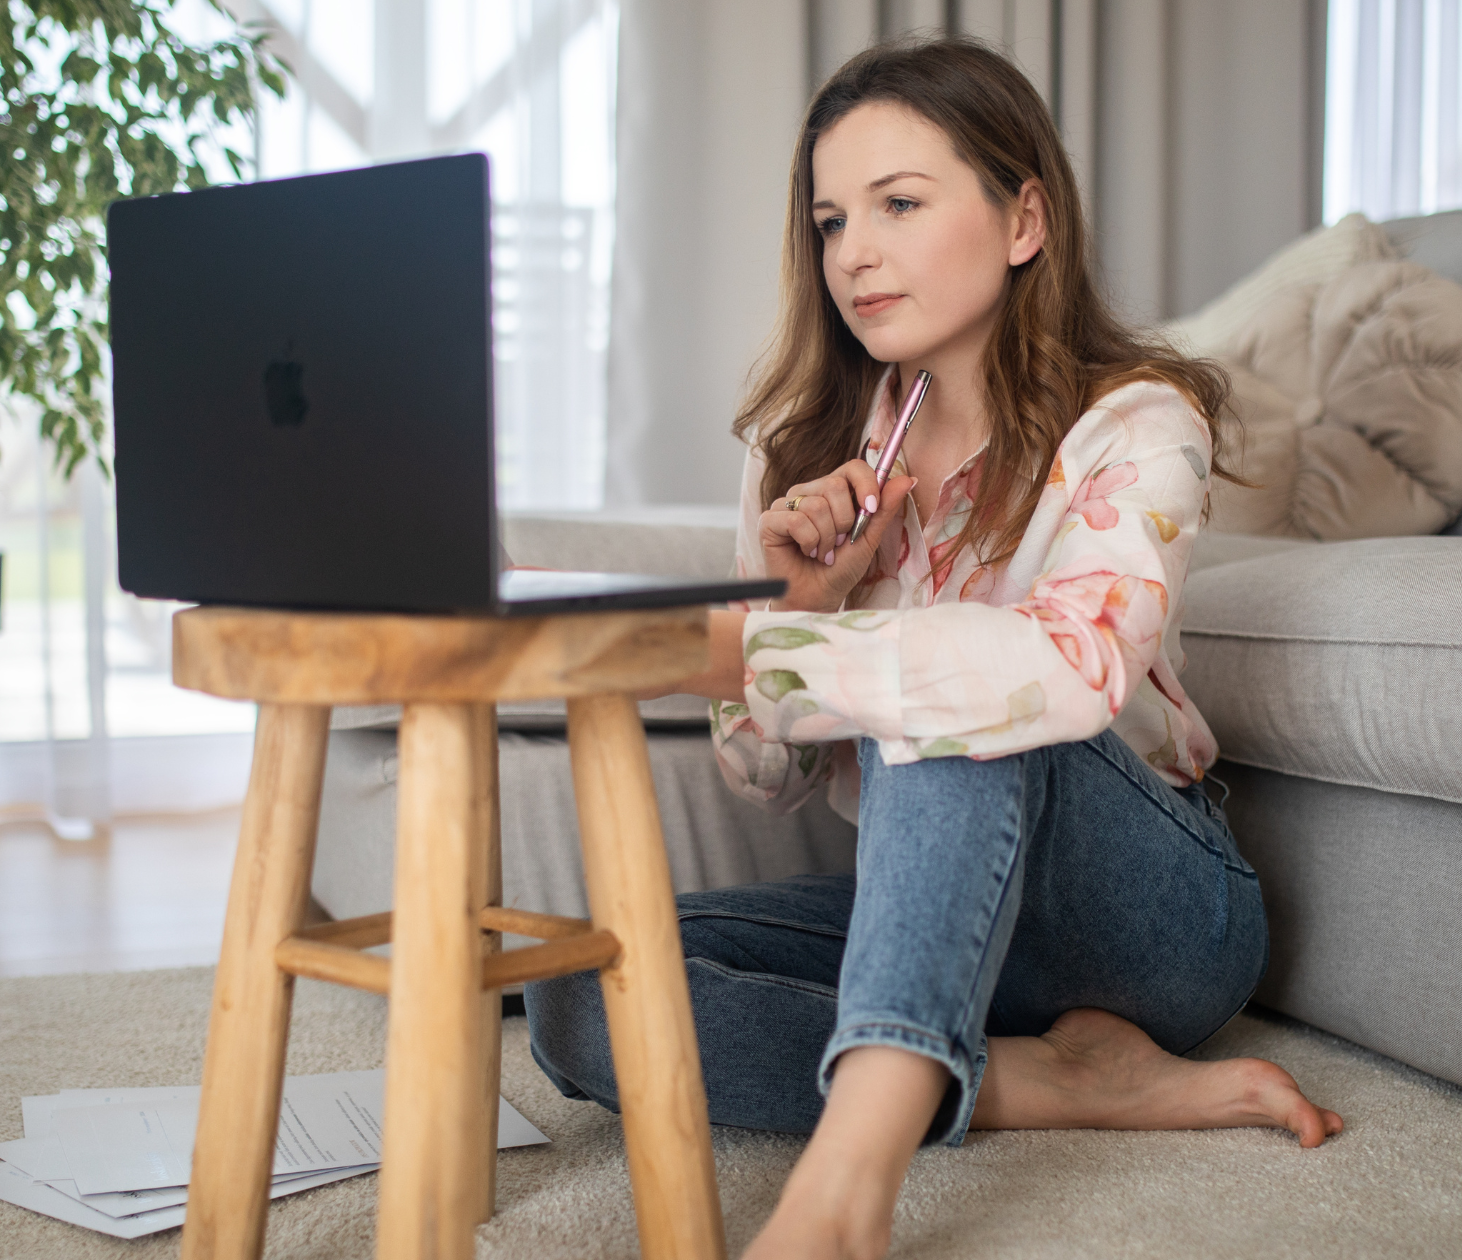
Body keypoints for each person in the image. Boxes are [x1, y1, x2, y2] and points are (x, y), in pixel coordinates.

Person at [525, 37, 1343, 1260]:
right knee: (583, 995)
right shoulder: (806, 450)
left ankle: (844, 1198)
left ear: (1022, 218)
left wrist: (763, 655)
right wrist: (808, 601)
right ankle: (1046, 1081)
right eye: (829, 218)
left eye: (899, 204)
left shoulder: (1133, 422)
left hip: (1153, 920)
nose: (853, 251)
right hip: (950, 927)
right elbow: (764, 774)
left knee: (964, 686)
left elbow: (1072, 669)